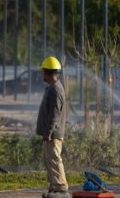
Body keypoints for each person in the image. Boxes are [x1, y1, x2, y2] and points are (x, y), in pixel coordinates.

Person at [36, 56, 68, 197]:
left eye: (43, 72)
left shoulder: (56, 90)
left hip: (53, 134)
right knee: (50, 160)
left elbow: (55, 114)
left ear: (49, 73)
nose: (42, 74)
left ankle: (61, 187)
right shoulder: (52, 88)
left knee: (54, 159)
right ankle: (55, 186)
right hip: (51, 133)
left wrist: (48, 132)